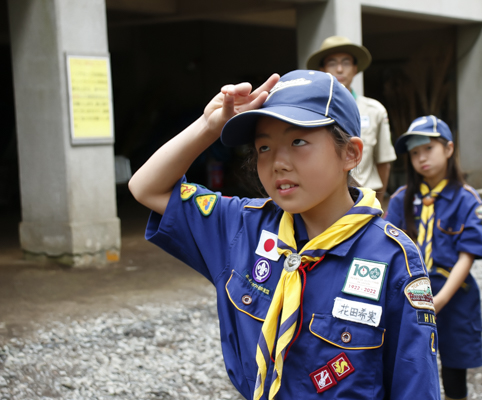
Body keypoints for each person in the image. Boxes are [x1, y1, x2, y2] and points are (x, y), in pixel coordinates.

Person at [128, 69, 441, 399]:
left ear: (350, 153)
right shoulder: (243, 227)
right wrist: (209, 127)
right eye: (263, 148)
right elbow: (146, 187)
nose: (278, 162)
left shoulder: (392, 257)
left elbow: (415, 384)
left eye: (298, 141)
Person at [385, 116, 482, 400]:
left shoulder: (467, 198)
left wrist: (440, 300)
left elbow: (467, 256)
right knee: (410, 364)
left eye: (428, 148)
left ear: (449, 148)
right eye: (415, 153)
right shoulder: (401, 198)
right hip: (410, 293)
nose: (421, 158)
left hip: (453, 294)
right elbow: (388, 248)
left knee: (454, 368)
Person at [307, 36, 397, 204]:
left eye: (346, 63)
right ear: (322, 69)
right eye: (332, 63)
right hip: (321, 203)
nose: (340, 69)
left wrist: (376, 205)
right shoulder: (310, 111)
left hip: (365, 201)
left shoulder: (374, 110)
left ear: (355, 69)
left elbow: (383, 161)